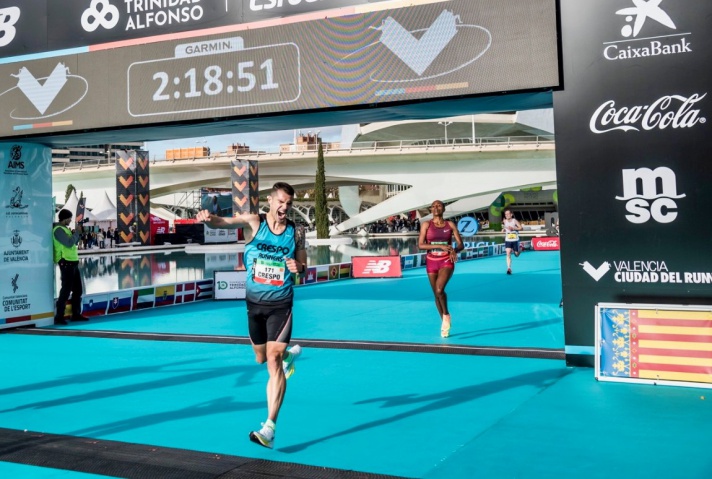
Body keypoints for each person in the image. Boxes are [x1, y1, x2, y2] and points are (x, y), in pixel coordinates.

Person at [196, 182, 306, 449]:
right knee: (260, 357)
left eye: (289, 204)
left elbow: (303, 267)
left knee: (273, 359)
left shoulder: (296, 231)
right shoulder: (254, 222)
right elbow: (222, 222)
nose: (284, 208)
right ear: (270, 200)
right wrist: (208, 219)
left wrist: (298, 266)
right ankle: (290, 356)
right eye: (280, 202)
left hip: (281, 305)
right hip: (254, 305)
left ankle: (269, 427)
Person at [418, 200, 464, 338]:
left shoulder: (450, 225)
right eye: (433, 206)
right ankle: (444, 321)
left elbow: (461, 244)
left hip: (446, 261)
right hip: (431, 262)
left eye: (439, 205)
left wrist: (454, 250)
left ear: (443, 208)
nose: (436, 207)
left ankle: (446, 314)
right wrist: (438, 247)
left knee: (439, 289)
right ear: (431, 209)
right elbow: (421, 245)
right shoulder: (426, 225)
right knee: (436, 295)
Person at [53, 209, 89, 325]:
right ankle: (59, 316)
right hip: (66, 262)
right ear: (64, 218)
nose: (70, 220)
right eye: (69, 218)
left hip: (72, 262)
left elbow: (73, 243)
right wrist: (77, 233)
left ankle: (76, 314)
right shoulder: (58, 230)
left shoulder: (65, 229)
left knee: (78, 290)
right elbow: (68, 243)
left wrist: (78, 234)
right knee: (66, 290)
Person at [502, 208, 522, 274]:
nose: (507, 215)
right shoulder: (504, 221)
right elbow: (505, 227)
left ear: (511, 214)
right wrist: (503, 230)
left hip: (515, 240)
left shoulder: (514, 221)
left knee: (516, 254)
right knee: (508, 252)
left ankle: (521, 249)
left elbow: (521, 228)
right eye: (505, 214)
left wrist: (514, 228)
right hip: (508, 239)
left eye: (508, 214)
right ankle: (509, 268)